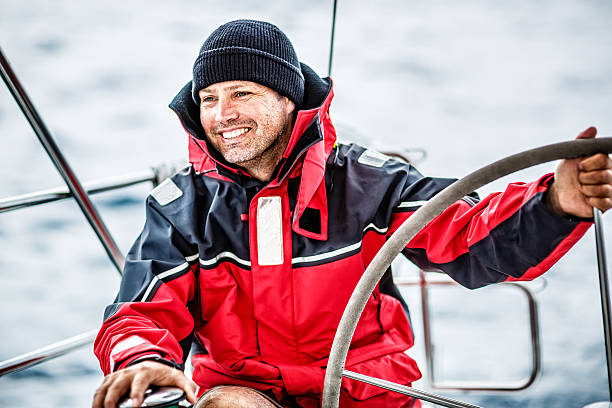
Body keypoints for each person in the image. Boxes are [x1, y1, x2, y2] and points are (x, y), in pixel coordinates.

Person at [92, 19, 612, 408]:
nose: (221, 114)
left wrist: (556, 202)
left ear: (288, 98)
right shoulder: (182, 209)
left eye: (241, 93)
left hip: (365, 397)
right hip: (246, 398)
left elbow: (470, 236)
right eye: (208, 98)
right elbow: (141, 312)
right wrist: (144, 361)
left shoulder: (372, 185)